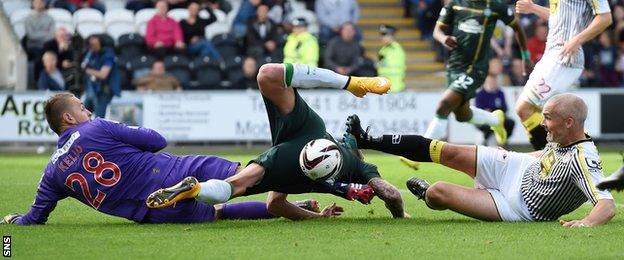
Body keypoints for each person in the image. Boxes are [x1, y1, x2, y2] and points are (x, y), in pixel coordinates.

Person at [0, 93, 322, 225]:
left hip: (153, 212)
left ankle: (299, 206)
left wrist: (12, 226)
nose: (89, 111)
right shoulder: (94, 128)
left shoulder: (53, 172)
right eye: (82, 108)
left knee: (219, 211)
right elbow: (156, 140)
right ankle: (335, 180)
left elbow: (34, 218)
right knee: (252, 175)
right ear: (69, 119)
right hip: (172, 171)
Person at [146, 63, 409, 220]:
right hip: (294, 172)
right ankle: (197, 190)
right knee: (235, 187)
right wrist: (401, 215)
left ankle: (351, 81)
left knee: (268, 74)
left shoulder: (348, 153)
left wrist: (351, 84)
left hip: (306, 135)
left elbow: (352, 147)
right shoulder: (361, 170)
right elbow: (392, 194)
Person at [344, 93, 616, 227]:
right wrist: (514, 158)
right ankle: (366, 139)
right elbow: (548, 158)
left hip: (517, 206)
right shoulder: (563, 138)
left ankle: (425, 192)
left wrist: (585, 223)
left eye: (548, 118)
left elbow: (606, 206)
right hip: (517, 167)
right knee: (448, 151)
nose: (543, 124)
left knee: (439, 193)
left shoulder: (585, 159)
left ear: (569, 122)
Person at [424, 0, 533, 146]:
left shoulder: (495, 6)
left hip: (476, 68)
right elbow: (437, 31)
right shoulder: (454, 4)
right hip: (454, 67)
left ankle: (420, 150)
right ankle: (495, 120)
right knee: (462, 115)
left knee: (444, 105)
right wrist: (444, 38)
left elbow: (517, 27)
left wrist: (525, 56)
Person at [514, 0, 612, 150]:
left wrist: (576, 41)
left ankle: (549, 164)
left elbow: (605, 17)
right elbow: (559, 17)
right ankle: (572, 156)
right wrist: (533, 8)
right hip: (550, 56)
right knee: (544, 115)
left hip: (564, 58)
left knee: (524, 108)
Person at [474, 59, 514, 146]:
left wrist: (495, 111)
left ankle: (504, 141)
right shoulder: (480, 94)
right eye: (491, 81)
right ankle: (485, 140)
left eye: (494, 81)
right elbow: (478, 109)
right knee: (486, 125)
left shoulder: (500, 93)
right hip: (484, 118)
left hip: (498, 117)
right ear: (486, 81)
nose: (493, 83)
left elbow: (505, 108)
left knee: (511, 122)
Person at [81, 35, 121, 118]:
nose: (93, 46)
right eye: (91, 44)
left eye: (95, 43)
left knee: (99, 118)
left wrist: (88, 71)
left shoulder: (108, 55)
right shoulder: (90, 54)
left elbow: (103, 74)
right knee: (82, 114)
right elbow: (83, 65)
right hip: (92, 90)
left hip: (103, 91)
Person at [377, 25, 406, 92]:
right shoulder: (382, 50)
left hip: (396, 87)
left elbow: (395, 69)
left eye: (384, 35)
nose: (382, 37)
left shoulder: (397, 49)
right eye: (381, 35)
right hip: (384, 88)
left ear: (391, 35)